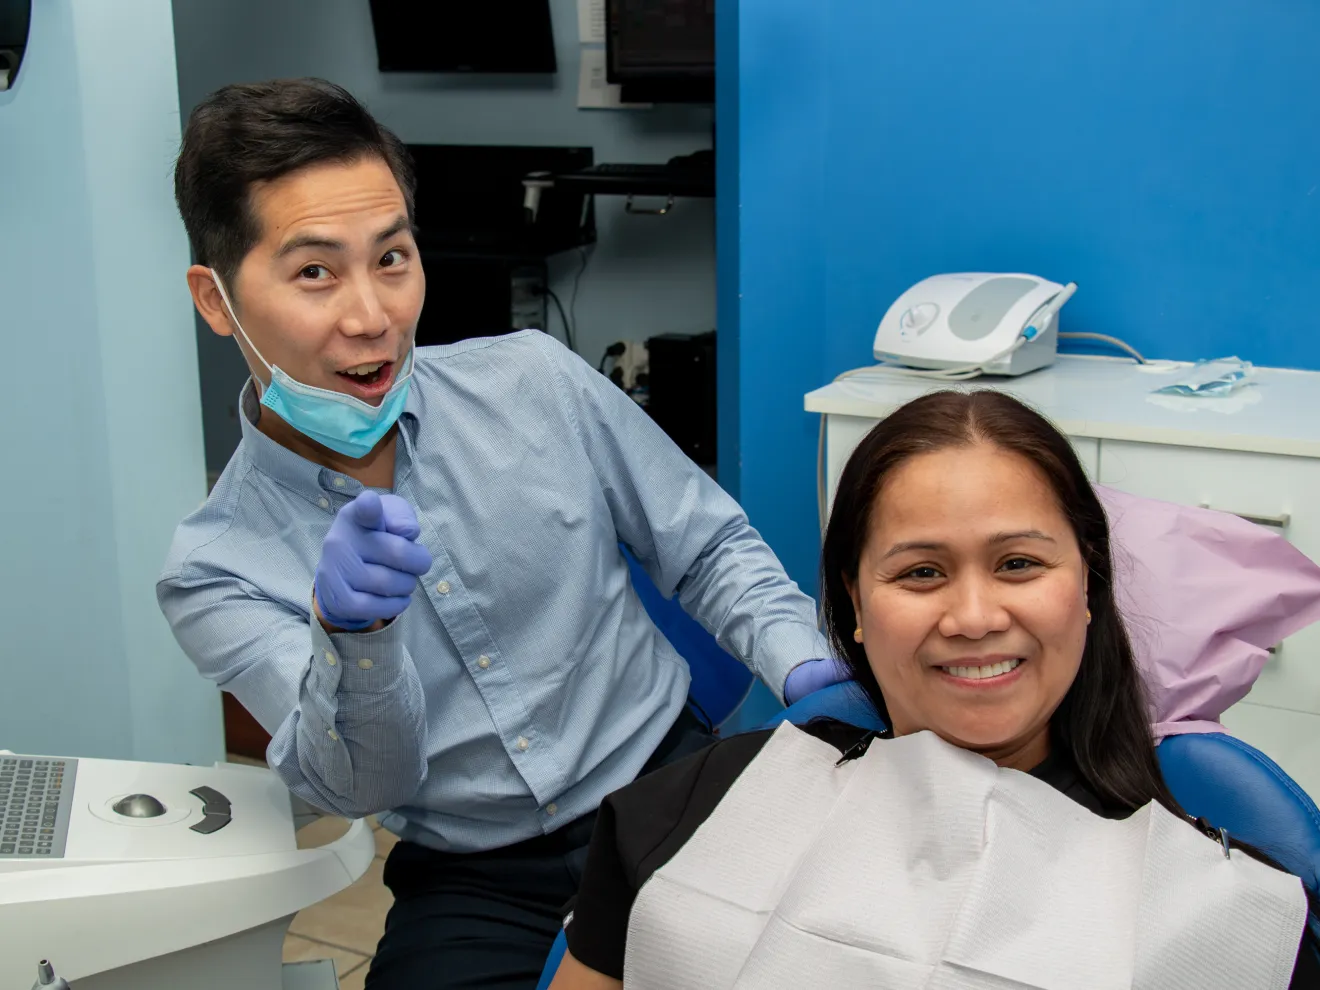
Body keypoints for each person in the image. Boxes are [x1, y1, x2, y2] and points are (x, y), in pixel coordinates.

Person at [156, 78, 843, 989]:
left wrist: (805, 663)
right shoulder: (213, 571)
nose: (373, 316)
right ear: (216, 299)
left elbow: (705, 546)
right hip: (475, 878)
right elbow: (362, 790)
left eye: (392, 258)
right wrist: (354, 642)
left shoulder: (535, 381)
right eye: (315, 271)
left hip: (667, 790)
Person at [551, 389, 1320, 989]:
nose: (975, 617)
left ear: (1088, 583)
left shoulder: (1231, 918)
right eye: (921, 572)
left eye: (1019, 563)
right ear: (853, 604)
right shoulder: (696, 812)